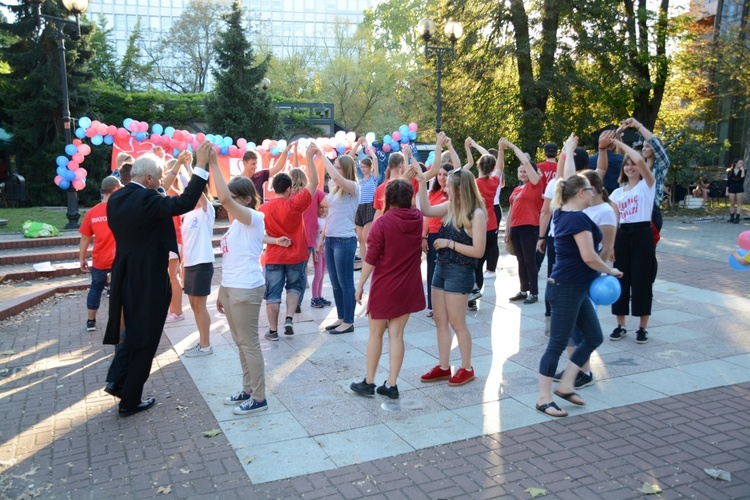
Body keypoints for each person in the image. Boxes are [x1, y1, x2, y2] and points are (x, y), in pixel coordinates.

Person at [103, 143, 210, 417]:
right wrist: (201, 166)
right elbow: (184, 202)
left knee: (132, 333)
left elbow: (159, 195)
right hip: (148, 275)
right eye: (160, 177)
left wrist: (173, 168)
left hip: (124, 271)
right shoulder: (148, 201)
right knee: (146, 337)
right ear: (148, 179)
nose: (163, 182)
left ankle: (117, 380)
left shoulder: (116, 198)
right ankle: (130, 400)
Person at [209, 149, 291, 415]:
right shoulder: (236, 224)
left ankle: (259, 397)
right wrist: (222, 291)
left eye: (233, 200)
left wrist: (211, 163)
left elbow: (221, 196)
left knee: (249, 343)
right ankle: (248, 389)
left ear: (245, 198)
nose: (227, 205)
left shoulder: (254, 217)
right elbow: (230, 260)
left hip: (247, 288)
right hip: (233, 288)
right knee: (240, 341)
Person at [536, 172, 622, 417]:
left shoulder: (562, 213)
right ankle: (543, 398)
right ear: (581, 193)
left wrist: (569, 152)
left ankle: (566, 384)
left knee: (594, 336)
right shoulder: (577, 220)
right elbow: (589, 256)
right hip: (566, 289)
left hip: (575, 287)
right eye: (589, 189)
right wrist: (610, 270)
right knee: (557, 344)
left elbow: (568, 178)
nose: (594, 192)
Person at [413, 162, 487, 387]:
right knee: (440, 319)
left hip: (460, 271)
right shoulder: (450, 206)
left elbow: (478, 251)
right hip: (442, 268)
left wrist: (450, 244)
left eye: (449, 186)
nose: (444, 188)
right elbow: (425, 210)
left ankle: (467, 367)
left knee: (457, 322)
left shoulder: (477, 214)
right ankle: (444, 367)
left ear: (460, 188)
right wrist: (422, 181)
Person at [350, 179, 425, 399]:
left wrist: (361, 284)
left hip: (385, 286)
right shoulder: (418, 219)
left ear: (388, 198)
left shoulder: (381, 223)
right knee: (397, 335)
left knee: (375, 333)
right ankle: (391, 384)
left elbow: (371, 258)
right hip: (409, 285)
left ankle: (369, 381)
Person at [259, 141, 318, 340]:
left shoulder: (263, 209)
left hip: (274, 256)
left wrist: (275, 241)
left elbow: (259, 235)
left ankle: (273, 331)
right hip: (297, 255)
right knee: (294, 287)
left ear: (273, 188)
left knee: (273, 294)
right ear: (289, 189)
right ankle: (290, 318)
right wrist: (309, 160)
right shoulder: (295, 204)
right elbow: (314, 184)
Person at [609, 137, 657, 344]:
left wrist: (622, 146)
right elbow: (614, 221)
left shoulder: (647, 185)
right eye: (626, 164)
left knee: (642, 281)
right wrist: (611, 245)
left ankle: (642, 327)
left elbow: (639, 160)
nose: (630, 167)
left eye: (633, 164)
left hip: (642, 234)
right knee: (621, 279)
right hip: (623, 235)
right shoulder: (617, 193)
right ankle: (620, 325)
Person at [317, 145, 361, 334]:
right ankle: (342, 317)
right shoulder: (335, 189)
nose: (335, 169)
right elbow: (330, 214)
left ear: (346, 170)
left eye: (338, 166)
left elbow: (335, 177)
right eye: (334, 165)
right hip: (331, 240)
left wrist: (320, 154)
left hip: (345, 240)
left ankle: (349, 321)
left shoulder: (353, 187)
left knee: (346, 282)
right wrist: (323, 236)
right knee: (335, 282)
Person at [180, 158, 216, 357]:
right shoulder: (187, 216)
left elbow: (197, 188)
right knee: (193, 306)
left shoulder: (206, 211)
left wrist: (188, 168)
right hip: (190, 265)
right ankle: (201, 341)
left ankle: (206, 345)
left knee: (200, 306)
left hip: (202, 264)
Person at [79, 176, 122, 332]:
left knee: (96, 288)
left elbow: (85, 238)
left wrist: (82, 259)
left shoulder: (92, 212)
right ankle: (119, 321)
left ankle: (91, 321)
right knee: (121, 290)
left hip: (100, 258)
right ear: (116, 189)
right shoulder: (121, 208)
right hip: (120, 258)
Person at [504, 138, 542, 304]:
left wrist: (512, 146)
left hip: (529, 226)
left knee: (529, 260)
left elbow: (526, 162)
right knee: (520, 260)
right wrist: (507, 230)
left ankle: (533, 292)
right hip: (516, 228)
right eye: (521, 172)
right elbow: (511, 210)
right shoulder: (517, 188)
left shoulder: (535, 184)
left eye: (525, 171)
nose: (523, 173)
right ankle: (523, 290)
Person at [423, 163, 453, 317]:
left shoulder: (453, 194)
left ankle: (448, 305)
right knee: (432, 271)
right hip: (433, 235)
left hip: (448, 235)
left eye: (445, 175)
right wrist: (423, 236)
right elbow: (427, 215)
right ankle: (434, 306)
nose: (441, 177)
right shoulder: (432, 193)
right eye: (439, 174)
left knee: (447, 270)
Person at [472, 152, 503, 300]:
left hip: (478, 227)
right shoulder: (494, 182)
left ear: (479, 165)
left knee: (475, 263)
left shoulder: (475, 183)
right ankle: (476, 290)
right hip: (492, 226)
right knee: (482, 260)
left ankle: (475, 290)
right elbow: (500, 169)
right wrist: (501, 151)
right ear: (492, 169)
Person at [353, 139, 379, 261]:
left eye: (365, 167)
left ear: (369, 167)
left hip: (369, 206)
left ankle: (371, 260)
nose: (363, 169)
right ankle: (364, 262)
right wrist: (357, 145)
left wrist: (368, 147)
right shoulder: (360, 181)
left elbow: (375, 159)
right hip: (359, 207)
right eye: (361, 167)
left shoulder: (373, 179)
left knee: (366, 236)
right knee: (360, 238)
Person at [310, 203, 331, 307]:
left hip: (325, 250)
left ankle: (319, 295)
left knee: (322, 275)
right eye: (321, 207)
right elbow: (313, 237)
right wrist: (314, 251)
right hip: (318, 250)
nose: (323, 209)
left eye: (325, 207)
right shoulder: (315, 220)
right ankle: (314, 297)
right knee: (318, 274)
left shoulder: (327, 219)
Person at [726, 159, 745, 223]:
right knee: (732, 203)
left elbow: (742, 178)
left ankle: (737, 218)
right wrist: (727, 191)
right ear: (736, 163)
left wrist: (742, 170)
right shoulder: (730, 171)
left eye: (742, 163)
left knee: (739, 203)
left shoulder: (743, 171)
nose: (741, 164)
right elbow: (728, 182)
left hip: (739, 188)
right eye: (740, 163)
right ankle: (731, 217)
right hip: (732, 187)